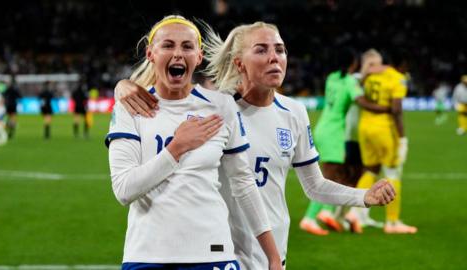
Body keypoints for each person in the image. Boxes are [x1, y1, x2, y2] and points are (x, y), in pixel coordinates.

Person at [114, 21, 396, 269]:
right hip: (221, 249)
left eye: (280, 50)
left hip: (272, 248)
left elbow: (314, 186)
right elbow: (170, 99)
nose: (274, 58)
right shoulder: (217, 109)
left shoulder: (294, 113)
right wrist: (123, 85)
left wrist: (363, 197)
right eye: (261, 50)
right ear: (239, 63)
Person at [106, 15, 283, 270]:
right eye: (168, 45)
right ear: (151, 54)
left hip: (212, 252)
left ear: (198, 57)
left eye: (187, 47)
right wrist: (177, 148)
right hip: (147, 253)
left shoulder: (220, 106)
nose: (178, 53)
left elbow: (243, 182)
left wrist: (273, 256)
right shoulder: (130, 108)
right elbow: (124, 190)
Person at [300, 48, 390, 235]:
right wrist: (383, 108)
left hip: (323, 126)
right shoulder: (349, 82)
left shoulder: (332, 77)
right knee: (327, 178)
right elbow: (362, 101)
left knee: (335, 175)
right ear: (354, 63)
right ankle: (310, 218)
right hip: (334, 132)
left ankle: (327, 212)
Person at [350, 49, 417, 234]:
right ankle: (392, 223)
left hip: (365, 128)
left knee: (370, 169)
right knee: (393, 173)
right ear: (403, 64)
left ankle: (355, 214)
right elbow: (396, 109)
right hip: (384, 130)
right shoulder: (397, 78)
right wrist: (402, 137)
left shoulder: (373, 75)